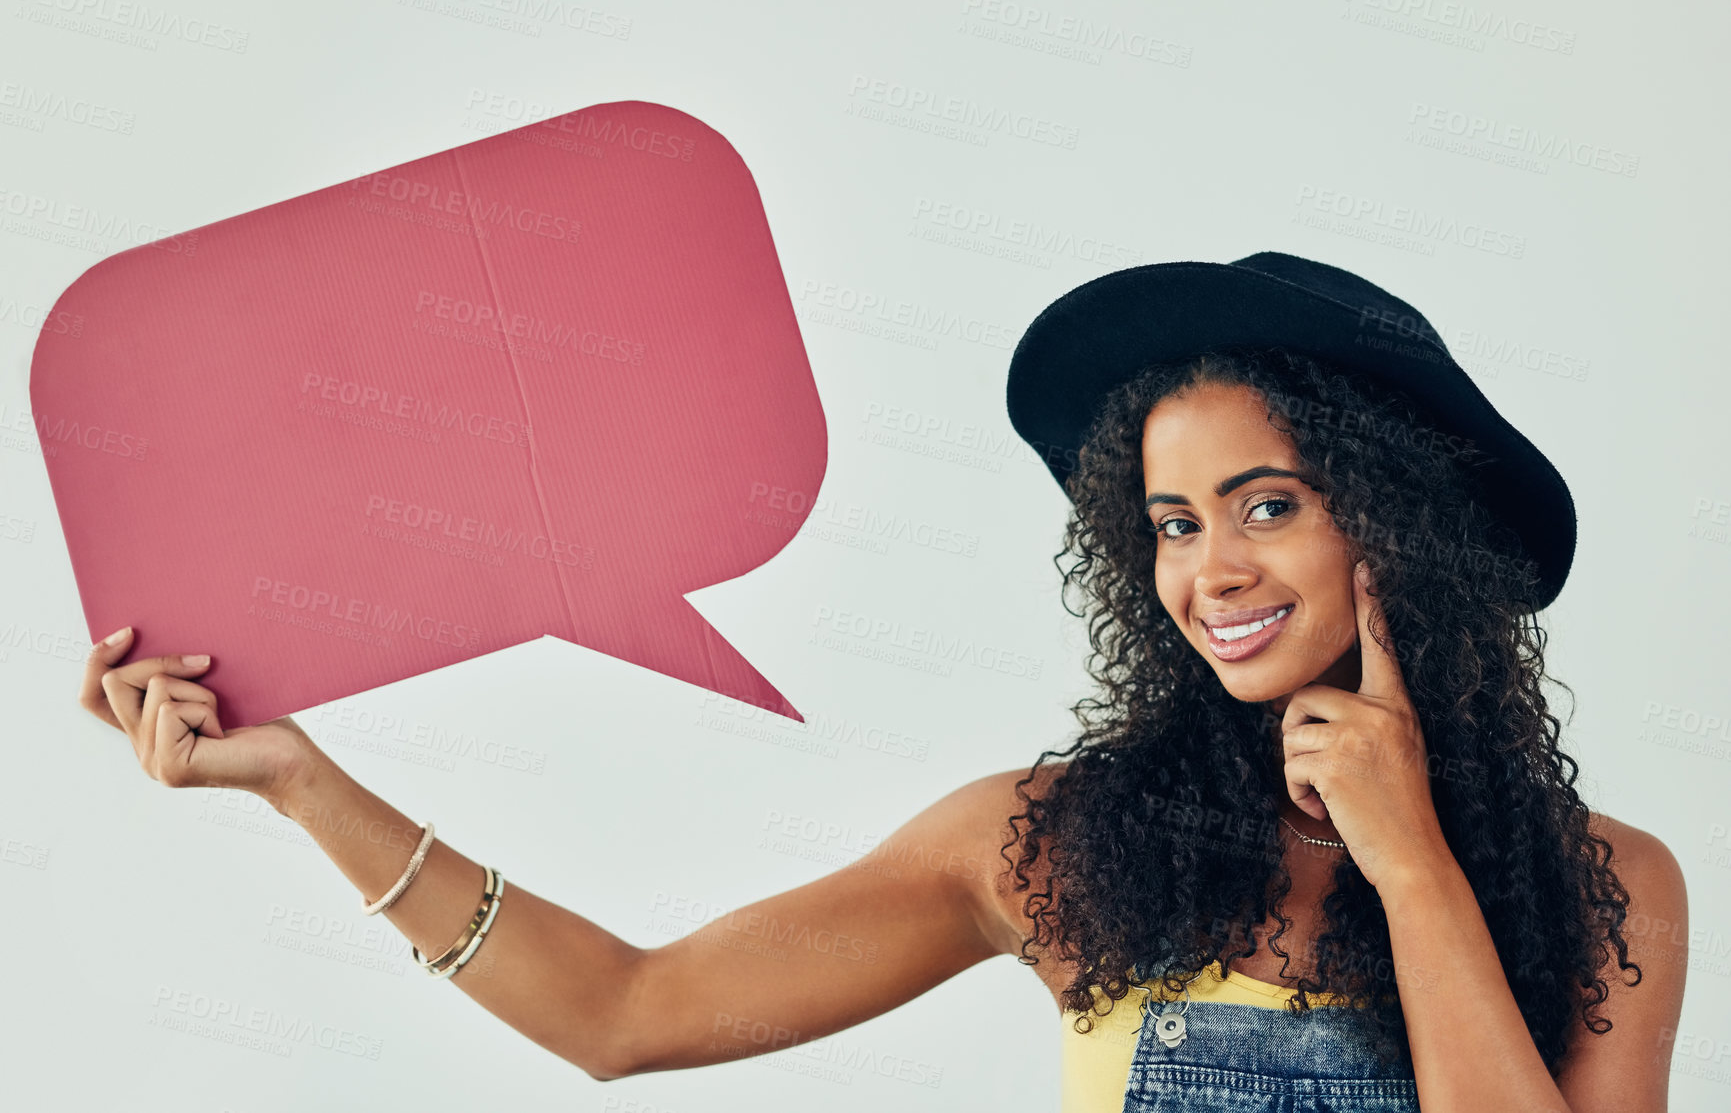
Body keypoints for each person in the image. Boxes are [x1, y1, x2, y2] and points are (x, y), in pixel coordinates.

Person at [77, 251, 1686, 1112]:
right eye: (1175, 524)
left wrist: (1410, 863)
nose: (1214, 571)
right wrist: (301, 783)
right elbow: (623, 1014)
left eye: (1270, 502)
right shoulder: (1051, 847)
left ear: (1391, 524)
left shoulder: (1608, 884)